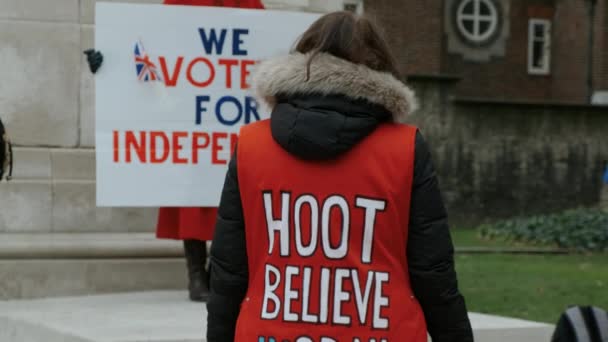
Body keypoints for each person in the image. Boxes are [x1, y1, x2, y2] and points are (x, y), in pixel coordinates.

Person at [208, 11, 473, 342]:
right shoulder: (404, 149)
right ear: (381, 69)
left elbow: (228, 271)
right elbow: (433, 272)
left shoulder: (251, 145)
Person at [84, 0, 265, 302]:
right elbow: (144, 50)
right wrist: (108, 64)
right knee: (190, 196)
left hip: (230, 118)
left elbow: (269, 51)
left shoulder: (250, 4)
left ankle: (217, 271)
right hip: (187, 116)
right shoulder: (177, 3)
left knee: (235, 196)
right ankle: (196, 274)